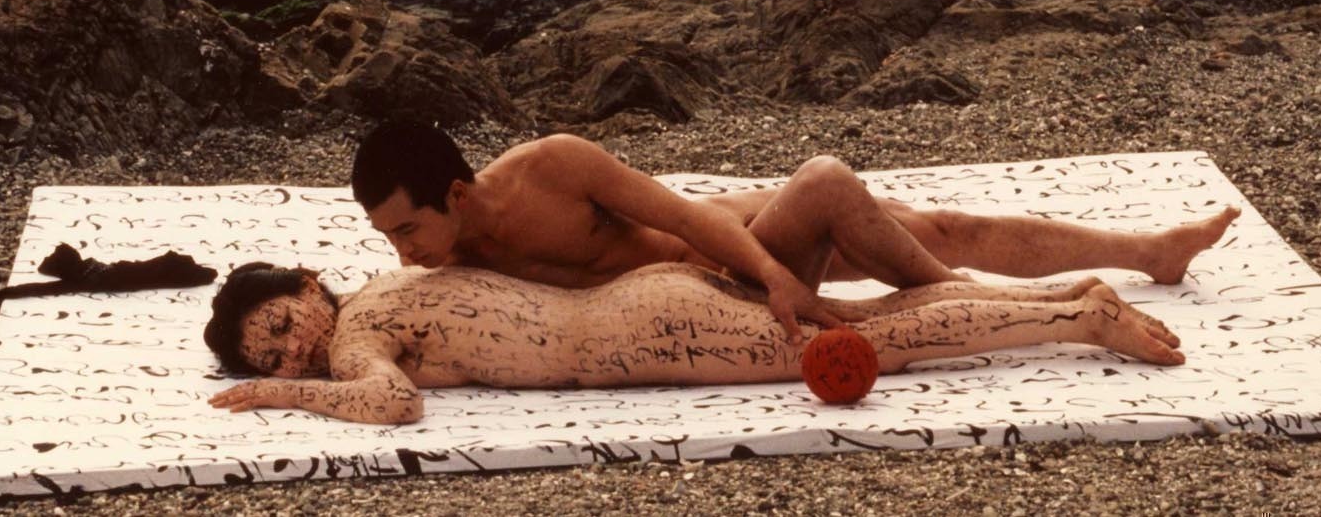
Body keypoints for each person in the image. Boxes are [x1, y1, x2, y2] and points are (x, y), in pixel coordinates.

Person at [350, 120, 1239, 341]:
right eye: (389, 237)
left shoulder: (554, 167)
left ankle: (1146, 253)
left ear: (457, 193)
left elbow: (685, 213)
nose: (403, 250)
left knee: (911, 217)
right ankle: (995, 299)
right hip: (711, 285)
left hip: (731, 244)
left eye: (407, 228)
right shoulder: (446, 262)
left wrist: (777, 277)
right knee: (859, 204)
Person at [205, 261, 1183, 425]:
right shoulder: (385, 285)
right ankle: (1059, 296)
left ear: (308, 287)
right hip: (646, 305)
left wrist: (275, 397)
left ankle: (1075, 322)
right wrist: (289, 380)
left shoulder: (360, 331)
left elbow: (393, 404)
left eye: (283, 325)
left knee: (878, 342)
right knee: (866, 315)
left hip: (649, 332)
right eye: (270, 358)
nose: (293, 354)